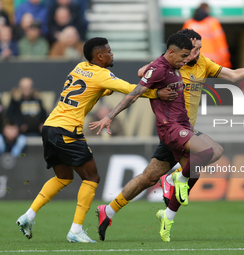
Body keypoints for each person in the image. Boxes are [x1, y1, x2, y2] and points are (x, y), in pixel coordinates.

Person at [91, 29, 244, 242]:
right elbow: (143, 74)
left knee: (152, 177)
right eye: (192, 49)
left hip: (186, 129)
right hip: (173, 129)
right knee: (195, 163)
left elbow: (234, 75)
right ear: (181, 49)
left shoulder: (203, 64)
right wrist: (155, 91)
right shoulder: (171, 63)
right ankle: (172, 184)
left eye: (199, 48)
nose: (196, 53)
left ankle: (111, 209)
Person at [15, 37, 176, 243]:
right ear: (100, 56)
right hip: (67, 130)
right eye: (109, 51)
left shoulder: (80, 66)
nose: (112, 54)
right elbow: (130, 89)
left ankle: (28, 216)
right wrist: (157, 93)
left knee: (64, 178)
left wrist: (106, 88)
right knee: (92, 178)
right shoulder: (102, 74)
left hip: (50, 127)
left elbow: (96, 88)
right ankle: (75, 230)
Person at [182, 3, 231, 68]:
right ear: (207, 10)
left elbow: (182, 43)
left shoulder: (189, 23)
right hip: (213, 63)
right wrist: (226, 63)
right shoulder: (213, 23)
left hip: (194, 63)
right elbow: (221, 44)